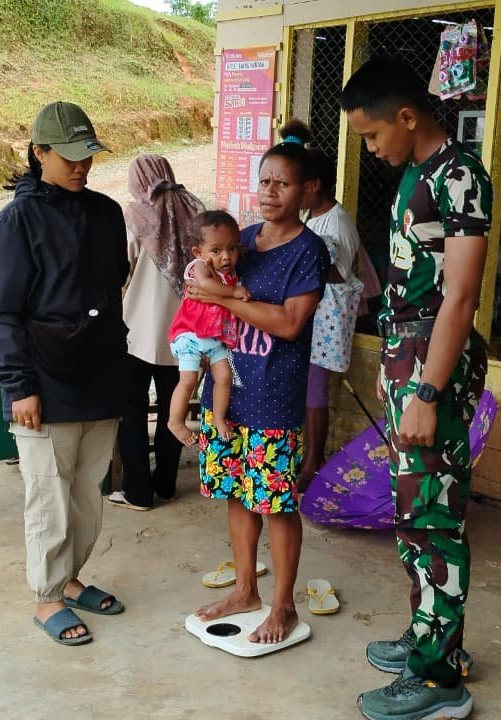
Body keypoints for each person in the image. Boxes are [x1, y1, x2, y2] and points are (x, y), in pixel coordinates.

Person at [341, 56, 490, 720]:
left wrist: (428, 393)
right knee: (412, 515)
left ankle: (438, 681)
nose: (371, 149)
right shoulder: (415, 174)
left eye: (373, 135)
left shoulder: (460, 176)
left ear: (407, 117)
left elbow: (459, 298)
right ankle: (431, 637)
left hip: (433, 366)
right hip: (407, 360)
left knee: (434, 518)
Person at [0, 101, 129, 646]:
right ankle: (47, 597)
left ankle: (69, 579)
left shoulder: (107, 213)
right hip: (42, 382)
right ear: (39, 153)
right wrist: (18, 386)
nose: (81, 166)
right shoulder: (16, 223)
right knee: (49, 496)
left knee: (88, 493)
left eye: (87, 155)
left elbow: (115, 282)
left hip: (100, 373)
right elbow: (2, 312)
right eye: (68, 157)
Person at [187, 137, 328, 644]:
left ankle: (283, 605)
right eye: (264, 180)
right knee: (237, 494)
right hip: (227, 393)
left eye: (282, 183)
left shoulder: (309, 251)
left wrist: (223, 298)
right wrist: (209, 291)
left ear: (307, 189)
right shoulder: (240, 240)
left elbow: (289, 323)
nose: (269, 191)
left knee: (276, 504)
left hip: (274, 396)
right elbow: (198, 284)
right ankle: (245, 590)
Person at [109, 155, 205, 512]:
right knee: (172, 410)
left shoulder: (135, 216)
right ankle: (166, 484)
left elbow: (120, 273)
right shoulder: (195, 209)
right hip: (185, 334)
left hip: (136, 333)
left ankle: (138, 492)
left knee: (132, 412)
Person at [278, 120, 366, 491]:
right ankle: (304, 456)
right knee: (305, 390)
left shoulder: (337, 222)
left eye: (293, 184)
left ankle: (314, 462)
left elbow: (335, 272)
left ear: (312, 185)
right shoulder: (313, 217)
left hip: (326, 319)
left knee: (315, 392)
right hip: (309, 318)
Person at [165, 211, 251, 445]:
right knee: (188, 380)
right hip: (190, 335)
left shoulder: (229, 275)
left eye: (232, 248)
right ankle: (175, 421)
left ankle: (219, 418)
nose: (226, 256)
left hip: (214, 339)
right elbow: (205, 284)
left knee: (225, 376)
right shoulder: (199, 267)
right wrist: (233, 292)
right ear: (198, 252)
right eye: (216, 250)